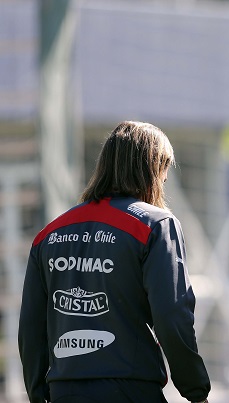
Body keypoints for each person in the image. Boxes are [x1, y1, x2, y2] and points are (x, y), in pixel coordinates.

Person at [18, 121, 211, 403]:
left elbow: (31, 329)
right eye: (164, 177)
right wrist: (196, 391)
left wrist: (38, 394)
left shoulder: (49, 234)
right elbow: (173, 316)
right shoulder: (156, 225)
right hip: (130, 389)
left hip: (63, 390)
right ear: (152, 172)